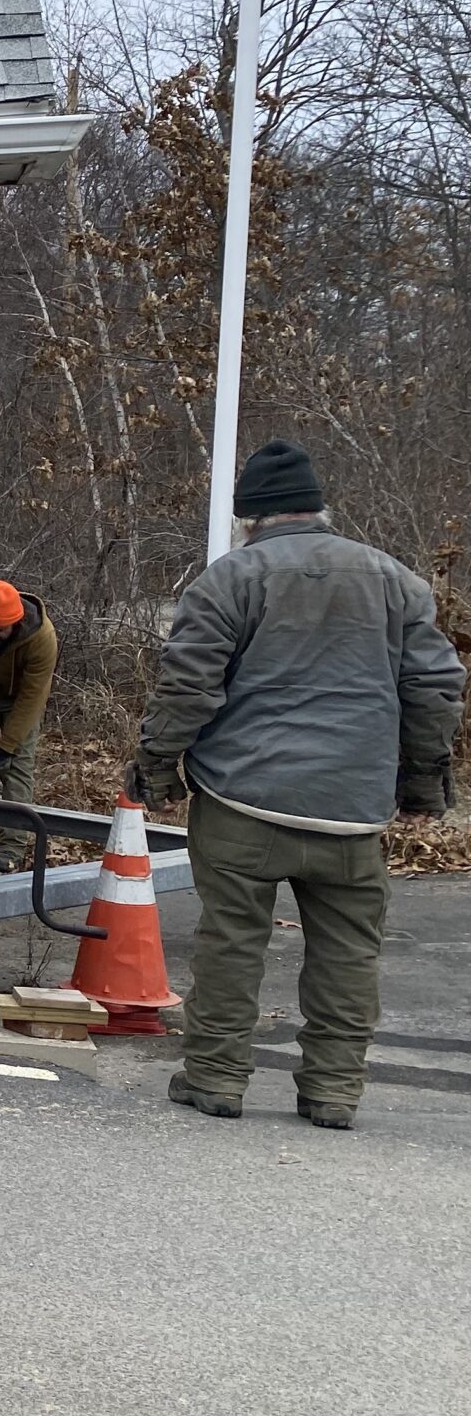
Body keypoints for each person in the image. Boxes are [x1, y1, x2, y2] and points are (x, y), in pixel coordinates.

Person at [135, 440, 463, 1130]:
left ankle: (216, 1078)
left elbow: (189, 685)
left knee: (232, 941)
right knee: (349, 951)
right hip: (352, 809)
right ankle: (334, 1093)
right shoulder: (396, 580)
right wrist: (422, 782)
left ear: (249, 517)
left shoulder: (229, 580)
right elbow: (434, 687)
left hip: (241, 800)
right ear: (320, 508)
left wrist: (158, 766)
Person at [0, 578, 56, 872]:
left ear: (16, 623)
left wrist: (6, 746)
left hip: (20, 696)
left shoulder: (42, 638)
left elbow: (33, 696)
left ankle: (11, 847)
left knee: (17, 766)